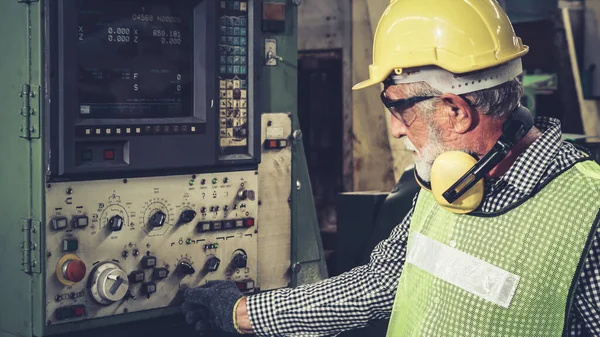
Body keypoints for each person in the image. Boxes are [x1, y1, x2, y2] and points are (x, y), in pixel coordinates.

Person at [182, 0, 600, 335]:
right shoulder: (450, 182)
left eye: (398, 107)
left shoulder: (588, 215)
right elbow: (380, 284)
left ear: (456, 111)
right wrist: (243, 314)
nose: (397, 130)